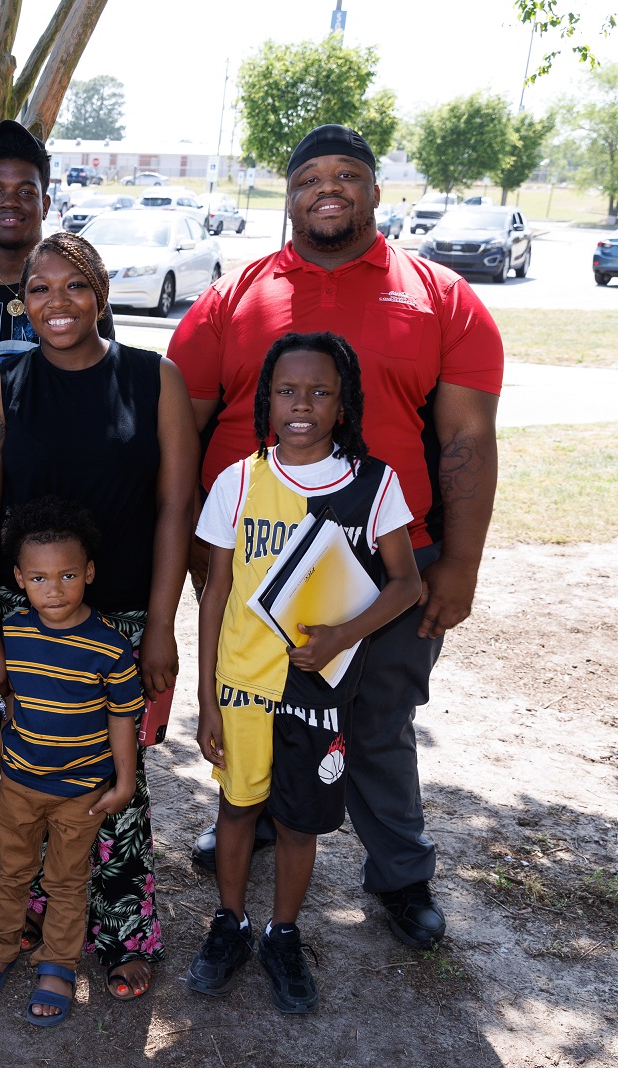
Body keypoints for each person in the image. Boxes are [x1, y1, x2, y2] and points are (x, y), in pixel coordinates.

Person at [168, 124, 503, 950]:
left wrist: (458, 562)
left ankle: (401, 876)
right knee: (256, 704)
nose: (328, 188)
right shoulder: (235, 295)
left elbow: (466, 440)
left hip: (388, 555)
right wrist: (193, 556)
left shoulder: (438, 296)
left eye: (348, 175)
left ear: (375, 191)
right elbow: (182, 428)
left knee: (379, 719)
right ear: (287, 194)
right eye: (310, 176)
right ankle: (263, 823)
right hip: (256, 553)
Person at [0, 231, 199, 1000]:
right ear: (21, 299)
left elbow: (174, 510)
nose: (55, 304)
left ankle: (124, 928)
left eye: (72, 287)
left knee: (115, 783)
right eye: (39, 289)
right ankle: (34, 917)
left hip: (122, 616)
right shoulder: (2, 387)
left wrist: (160, 626)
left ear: (100, 292)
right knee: (33, 768)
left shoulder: (154, 379)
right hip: (24, 617)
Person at [186, 332, 422, 1014]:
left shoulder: (373, 484)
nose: (303, 406)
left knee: (298, 821)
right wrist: (205, 699)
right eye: (288, 391)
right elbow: (214, 594)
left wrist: (342, 635)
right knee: (237, 807)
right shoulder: (240, 479)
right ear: (267, 399)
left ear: (343, 403)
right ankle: (228, 924)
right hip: (242, 683)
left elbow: (405, 584)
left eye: (321, 393)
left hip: (318, 686)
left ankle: (282, 934)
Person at [0, 497, 140, 1026]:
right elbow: (9, 704)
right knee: (11, 871)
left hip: (81, 791)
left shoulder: (110, 647)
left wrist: (124, 780)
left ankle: (58, 964)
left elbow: (123, 720)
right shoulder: (11, 634)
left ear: (89, 572)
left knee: (66, 881)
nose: (54, 589)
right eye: (38, 578)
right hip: (18, 784)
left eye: (66, 575)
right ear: (18, 577)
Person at [0, 121, 113, 363]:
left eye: (25, 192)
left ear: (45, 205)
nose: (9, 202)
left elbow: (106, 372)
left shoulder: (81, 286)